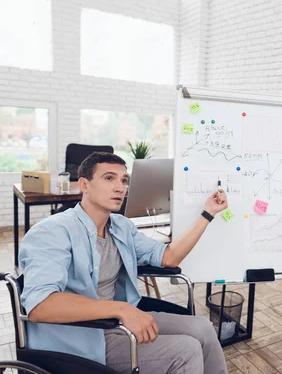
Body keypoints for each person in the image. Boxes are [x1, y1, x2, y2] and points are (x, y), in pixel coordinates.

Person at [19, 152, 229, 374]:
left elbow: (169, 257)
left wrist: (208, 213)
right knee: (186, 351)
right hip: (77, 339)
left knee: (203, 328)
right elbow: (40, 305)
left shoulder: (121, 226)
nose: (120, 187)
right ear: (84, 185)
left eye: (124, 180)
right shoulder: (52, 231)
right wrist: (120, 308)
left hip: (115, 322)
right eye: (109, 178)